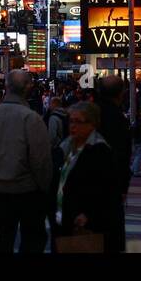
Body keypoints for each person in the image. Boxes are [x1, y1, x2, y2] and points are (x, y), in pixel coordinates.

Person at [0, 70, 53, 253]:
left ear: (6, 87)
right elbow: (41, 161)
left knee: (0, 244)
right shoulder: (32, 118)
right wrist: (44, 188)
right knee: (32, 242)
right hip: (27, 192)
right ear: (28, 88)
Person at [50, 102, 122, 252]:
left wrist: (89, 214)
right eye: (71, 121)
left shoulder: (99, 151)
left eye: (79, 121)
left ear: (92, 124)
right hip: (61, 221)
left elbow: (108, 191)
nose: (73, 126)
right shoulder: (65, 147)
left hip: (84, 225)